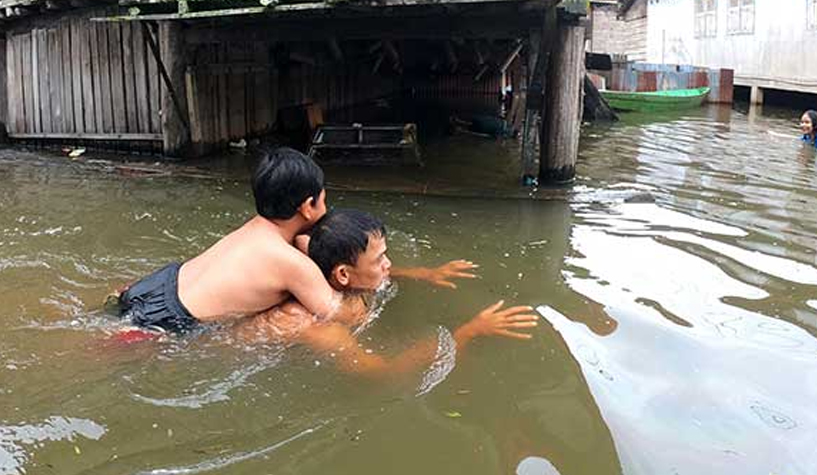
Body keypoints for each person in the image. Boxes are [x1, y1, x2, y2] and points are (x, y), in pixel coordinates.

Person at [116, 148, 479, 334]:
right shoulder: (292, 264)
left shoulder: (259, 231)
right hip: (166, 323)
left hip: (154, 285)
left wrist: (419, 273)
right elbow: (339, 315)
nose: (327, 206)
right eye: (323, 198)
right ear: (308, 206)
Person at [237, 209, 539, 378]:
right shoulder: (319, 326)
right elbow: (382, 372)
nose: (389, 265)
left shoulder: (324, 268)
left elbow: (367, 276)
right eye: (380, 259)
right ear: (343, 274)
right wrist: (469, 332)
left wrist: (425, 274)